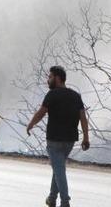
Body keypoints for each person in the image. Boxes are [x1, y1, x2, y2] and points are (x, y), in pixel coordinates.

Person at [25, 66, 90, 207]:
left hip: (54, 140)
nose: (48, 80)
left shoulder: (52, 95)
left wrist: (30, 124)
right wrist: (86, 137)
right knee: (58, 168)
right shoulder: (75, 96)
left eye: (50, 77)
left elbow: (41, 113)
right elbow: (83, 118)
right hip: (70, 140)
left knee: (59, 169)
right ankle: (52, 198)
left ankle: (65, 201)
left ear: (58, 78)